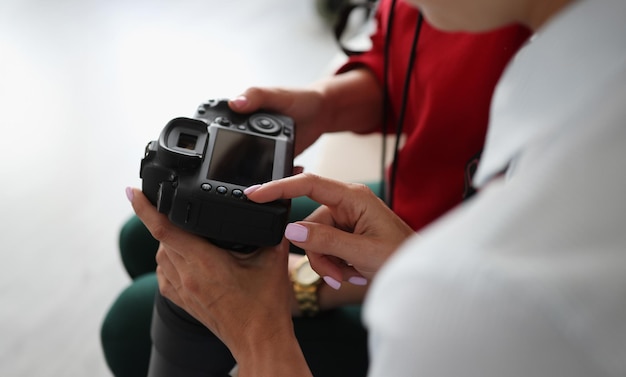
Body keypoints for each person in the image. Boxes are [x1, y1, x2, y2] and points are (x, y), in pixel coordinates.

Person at [127, 0, 626, 375]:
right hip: (426, 213)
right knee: (141, 237)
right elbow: (412, 68)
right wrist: (330, 105)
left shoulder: (486, 293)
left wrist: (259, 334)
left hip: (446, 280)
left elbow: (468, 297)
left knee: (132, 321)